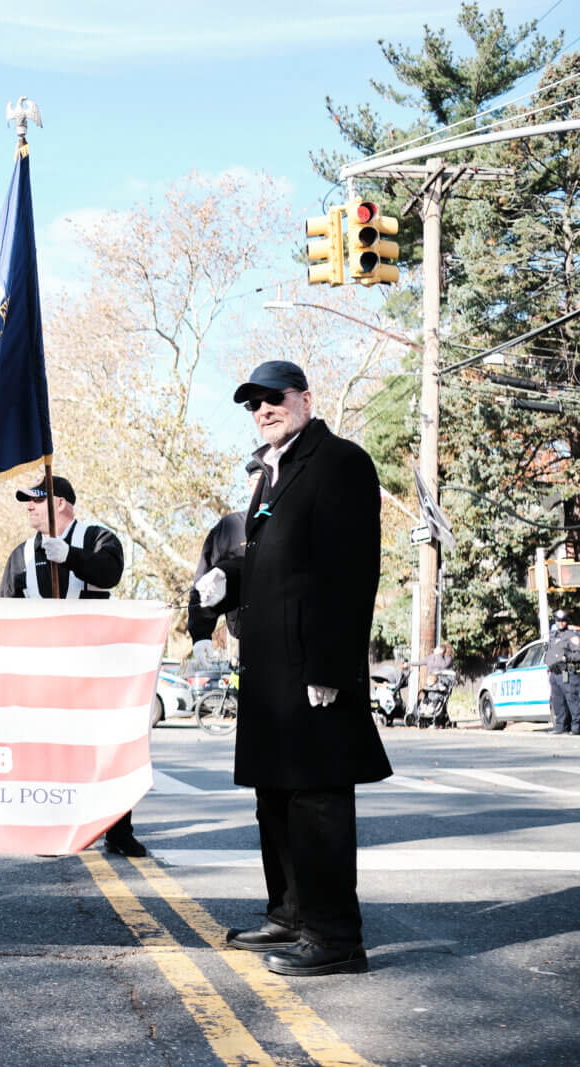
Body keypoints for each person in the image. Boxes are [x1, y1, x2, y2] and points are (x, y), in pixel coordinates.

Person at [194, 359, 389, 977]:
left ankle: (335, 938)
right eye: (253, 404)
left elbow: (351, 571)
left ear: (305, 398)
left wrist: (331, 665)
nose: (263, 411)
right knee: (274, 798)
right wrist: (227, 582)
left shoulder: (339, 462)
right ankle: (289, 914)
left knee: (317, 801)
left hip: (312, 668)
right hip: (270, 671)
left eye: (273, 398)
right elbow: (279, 564)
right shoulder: (269, 474)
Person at [0, 475, 143, 856]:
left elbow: (109, 573)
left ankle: (118, 829)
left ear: (61, 502)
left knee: (108, 751)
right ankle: (49, 827)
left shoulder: (97, 538)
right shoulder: (21, 554)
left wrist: (72, 558)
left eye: (35, 499)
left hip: (95, 665)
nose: (28, 506)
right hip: (44, 671)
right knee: (48, 752)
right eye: (26, 501)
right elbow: (5, 610)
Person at [187, 459, 265, 666]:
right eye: (259, 480)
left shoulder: (292, 523)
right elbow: (204, 584)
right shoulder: (230, 527)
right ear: (249, 484)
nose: (264, 486)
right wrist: (201, 633)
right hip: (245, 639)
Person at [544, 610, 580, 734]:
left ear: (566, 621)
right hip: (555, 673)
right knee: (558, 701)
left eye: (563, 621)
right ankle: (560, 727)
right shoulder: (553, 636)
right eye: (558, 620)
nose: (560, 623)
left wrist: (567, 657)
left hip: (567, 673)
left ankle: (576, 727)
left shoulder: (572, 636)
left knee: (571, 700)